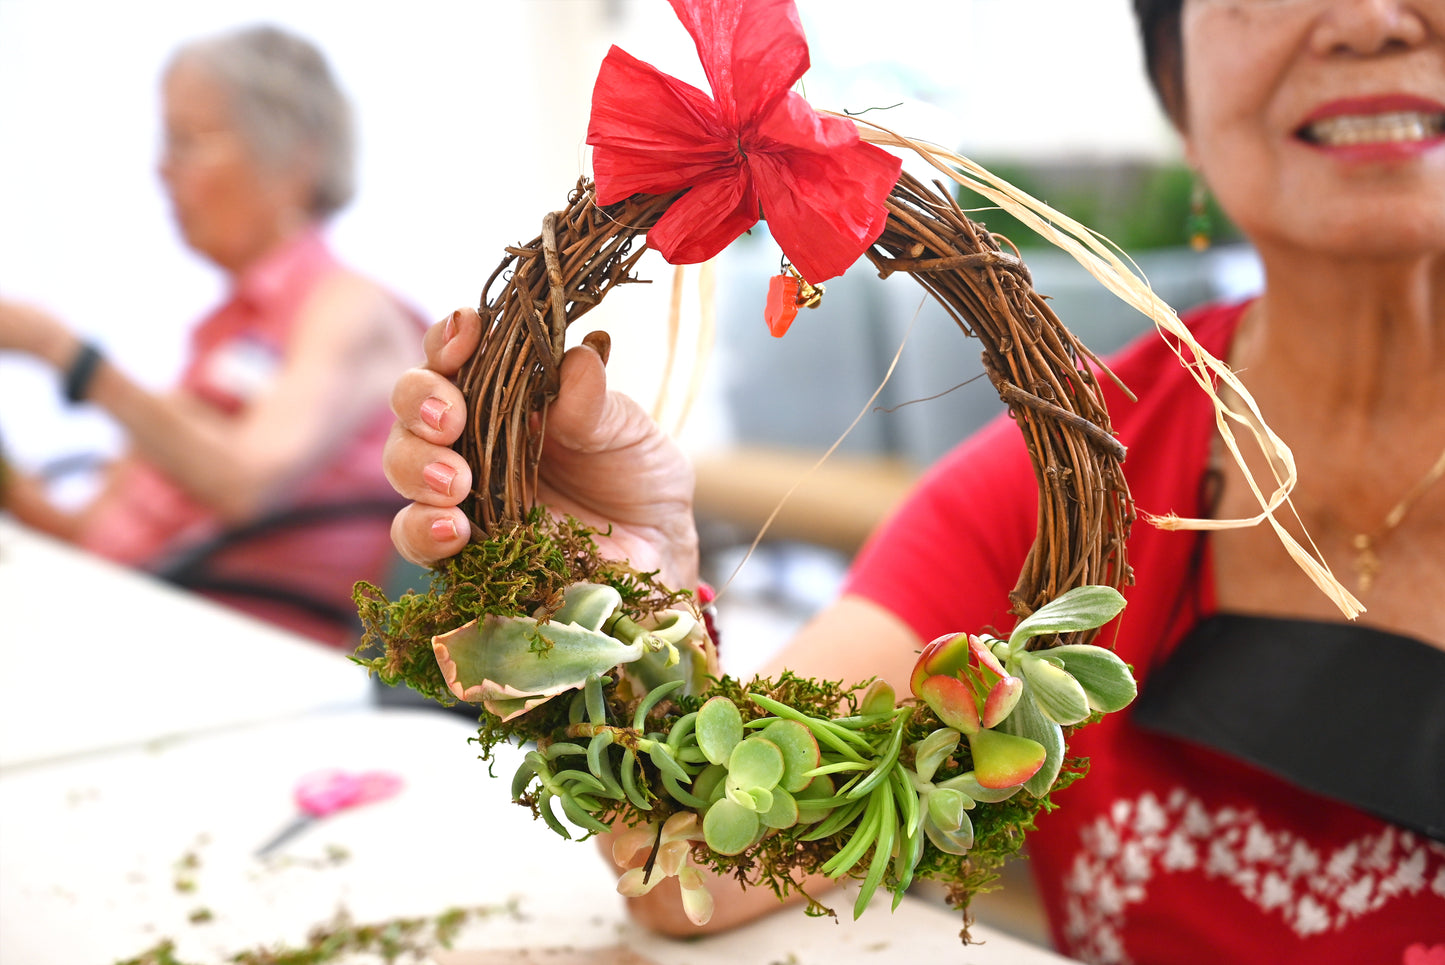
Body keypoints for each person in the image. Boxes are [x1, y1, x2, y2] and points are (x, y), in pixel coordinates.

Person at [382, 0, 1445, 962]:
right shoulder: (1057, 475)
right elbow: (694, 866)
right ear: (1178, 87)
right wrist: (632, 599)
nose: (1366, 19)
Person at [0, 25, 422, 648]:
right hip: (139, 614)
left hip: (239, 641)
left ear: (294, 160)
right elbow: (92, 533)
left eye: (188, 142)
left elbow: (243, 481)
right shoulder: (221, 338)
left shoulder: (347, 308)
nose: (161, 169)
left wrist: (63, 353)